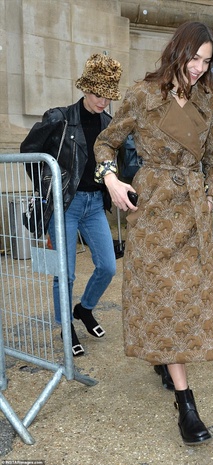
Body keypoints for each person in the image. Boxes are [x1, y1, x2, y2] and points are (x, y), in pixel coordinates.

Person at [94, 21, 213, 445]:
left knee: (186, 296)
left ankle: (176, 380)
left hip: (191, 214)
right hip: (154, 213)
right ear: (178, 52)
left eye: (207, 62)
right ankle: (185, 403)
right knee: (163, 294)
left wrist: (210, 195)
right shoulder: (141, 95)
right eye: (194, 59)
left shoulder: (208, 100)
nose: (199, 68)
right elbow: (106, 143)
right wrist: (112, 180)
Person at [20, 53, 123, 356]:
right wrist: (49, 185)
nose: (103, 101)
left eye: (108, 95)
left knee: (107, 266)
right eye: (98, 94)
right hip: (65, 206)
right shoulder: (59, 118)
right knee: (64, 273)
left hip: (94, 206)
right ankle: (67, 327)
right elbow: (30, 151)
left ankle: (84, 308)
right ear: (85, 88)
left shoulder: (109, 124)